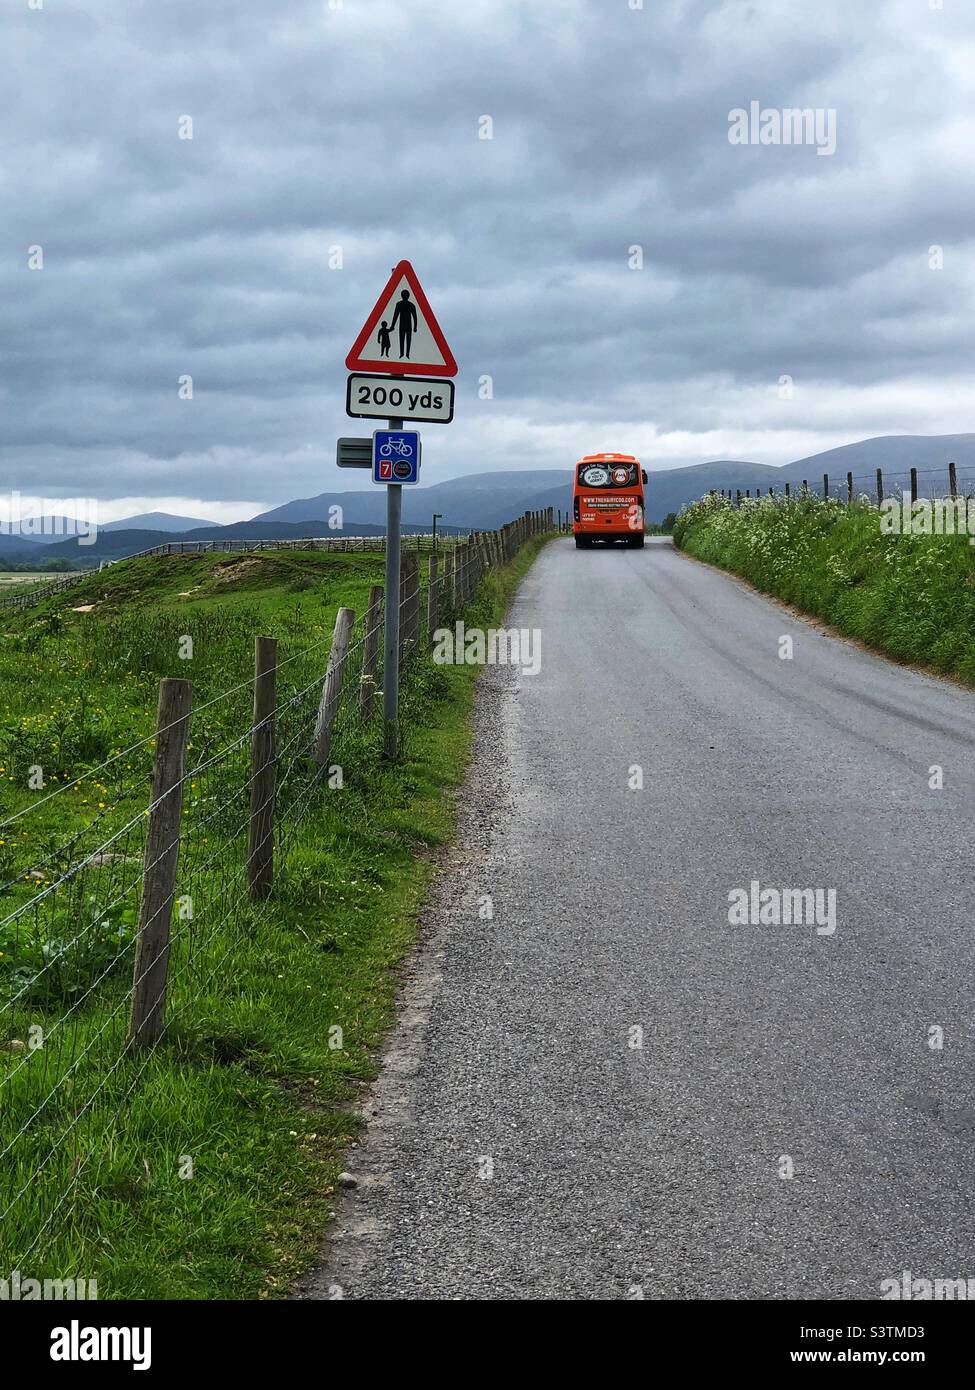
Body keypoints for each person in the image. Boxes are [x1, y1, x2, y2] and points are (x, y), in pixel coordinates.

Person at [389, 289, 417, 359]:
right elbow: (395, 315)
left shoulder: (410, 305)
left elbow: (414, 317)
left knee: (406, 339)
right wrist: (392, 325)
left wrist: (415, 327)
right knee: (404, 339)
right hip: (404, 325)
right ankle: (403, 354)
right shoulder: (401, 304)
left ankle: (406, 354)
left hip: (406, 325)